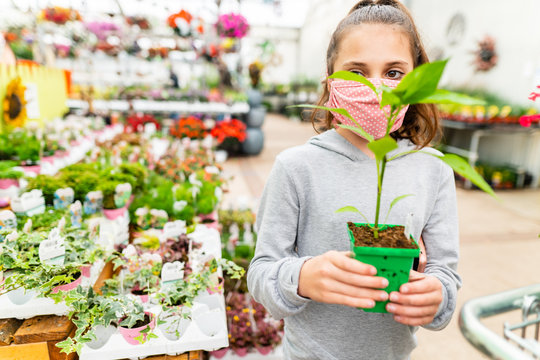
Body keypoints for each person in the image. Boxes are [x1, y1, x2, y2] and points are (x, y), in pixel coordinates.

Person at [246, 1, 461, 359]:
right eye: (356, 73)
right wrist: (302, 277)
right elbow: (261, 272)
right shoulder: (297, 166)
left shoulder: (433, 170)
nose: (376, 87)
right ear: (331, 78)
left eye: (394, 73)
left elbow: (445, 277)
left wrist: (436, 297)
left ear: (416, 82)